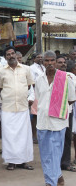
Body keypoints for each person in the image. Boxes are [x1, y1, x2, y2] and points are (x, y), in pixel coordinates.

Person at [35, 51, 76, 186]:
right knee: (46, 155)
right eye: (47, 61)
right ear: (43, 62)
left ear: (55, 62)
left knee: (55, 154)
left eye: (53, 60)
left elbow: (71, 99)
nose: (50, 63)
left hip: (58, 123)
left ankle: (50, 182)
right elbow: (39, 99)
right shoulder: (39, 79)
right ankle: (56, 177)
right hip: (42, 122)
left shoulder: (65, 78)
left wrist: (58, 107)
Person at [0, 46, 34, 171]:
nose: (11, 56)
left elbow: (29, 86)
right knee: (9, 136)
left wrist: (21, 95)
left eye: (12, 53)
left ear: (16, 55)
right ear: (5, 57)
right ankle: (11, 161)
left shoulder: (26, 69)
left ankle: (24, 161)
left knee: (24, 136)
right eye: (8, 54)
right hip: (8, 108)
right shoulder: (1, 72)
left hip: (23, 107)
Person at [56, 56, 76, 172]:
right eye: (60, 62)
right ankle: (55, 162)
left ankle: (66, 162)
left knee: (67, 138)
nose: (62, 64)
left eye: (64, 62)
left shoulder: (71, 76)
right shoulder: (52, 76)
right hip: (55, 113)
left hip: (68, 111)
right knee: (55, 138)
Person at [30, 53, 45, 144]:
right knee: (35, 115)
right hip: (36, 92)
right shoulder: (31, 68)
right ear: (34, 59)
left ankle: (41, 134)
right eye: (38, 57)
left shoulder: (44, 67)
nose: (40, 58)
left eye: (41, 57)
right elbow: (32, 81)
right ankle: (34, 135)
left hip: (44, 92)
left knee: (43, 114)